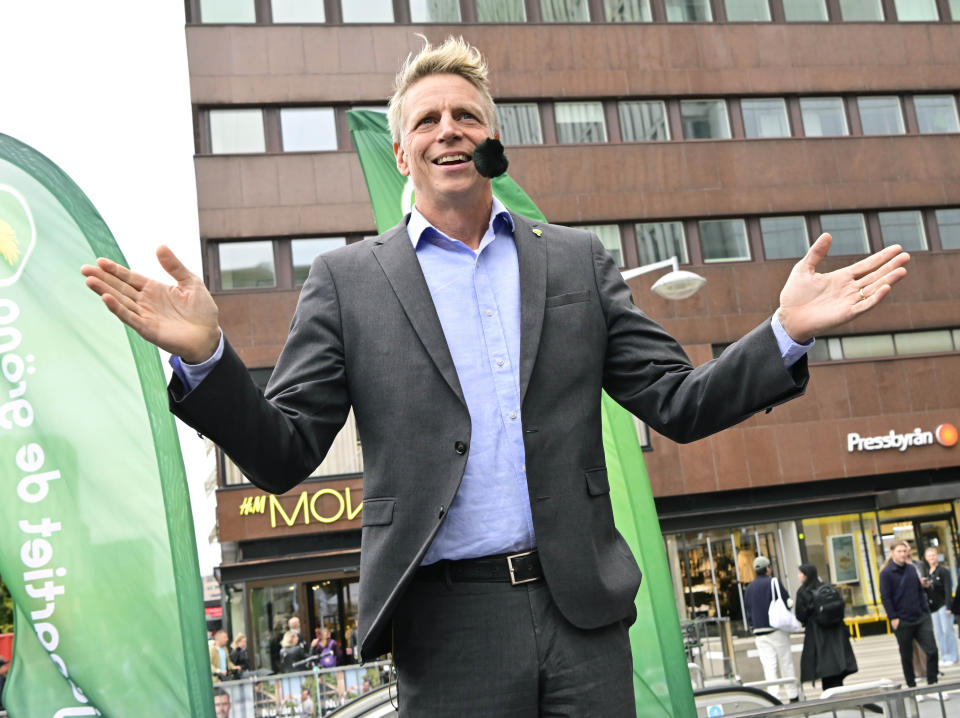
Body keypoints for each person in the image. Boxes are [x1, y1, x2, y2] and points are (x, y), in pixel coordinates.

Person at [81, 36, 910, 716]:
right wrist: (205, 357)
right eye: (429, 118)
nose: (449, 129)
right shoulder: (347, 282)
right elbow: (285, 451)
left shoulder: (576, 263)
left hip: (581, 610)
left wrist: (784, 331)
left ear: (492, 140)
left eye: (466, 115)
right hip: (450, 625)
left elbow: (678, 402)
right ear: (402, 149)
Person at [879, 541, 942, 701]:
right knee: (906, 655)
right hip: (902, 620)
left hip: (920, 616)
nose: (903, 554)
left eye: (904, 551)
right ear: (892, 553)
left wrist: (925, 611)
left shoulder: (911, 569)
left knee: (932, 650)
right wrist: (893, 617)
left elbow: (919, 591)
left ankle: (932, 684)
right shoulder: (886, 573)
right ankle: (912, 688)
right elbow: (886, 597)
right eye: (899, 551)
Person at [743, 556, 800, 702]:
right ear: (767, 568)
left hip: (759, 632)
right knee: (785, 663)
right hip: (776, 630)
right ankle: (793, 695)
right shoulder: (773, 582)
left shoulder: (749, 588)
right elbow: (787, 602)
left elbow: (748, 610)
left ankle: (773, 698)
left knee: (769, 667)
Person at [794, 564, 857, 692]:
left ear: (806, 575)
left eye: (800, 573)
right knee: (837, 665)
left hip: (817, 634)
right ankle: (838, 690)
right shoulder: (827, 587)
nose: (798, 576)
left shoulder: (803, 591)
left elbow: (800, 615)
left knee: (825, 668)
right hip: (836, 633)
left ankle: (829, 694)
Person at [921, 547, 959, 666]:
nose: (932, 558)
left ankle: (952, 656)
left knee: (947, 631)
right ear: (926, 558)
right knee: (939, 633)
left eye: (933, 555)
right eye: (929, 556)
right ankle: (944, 655)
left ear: (937, 556)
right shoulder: (927, 572)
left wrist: (949, 606)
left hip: (943, 604)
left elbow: (948, 589)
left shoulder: (943, 571)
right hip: (933, 607)